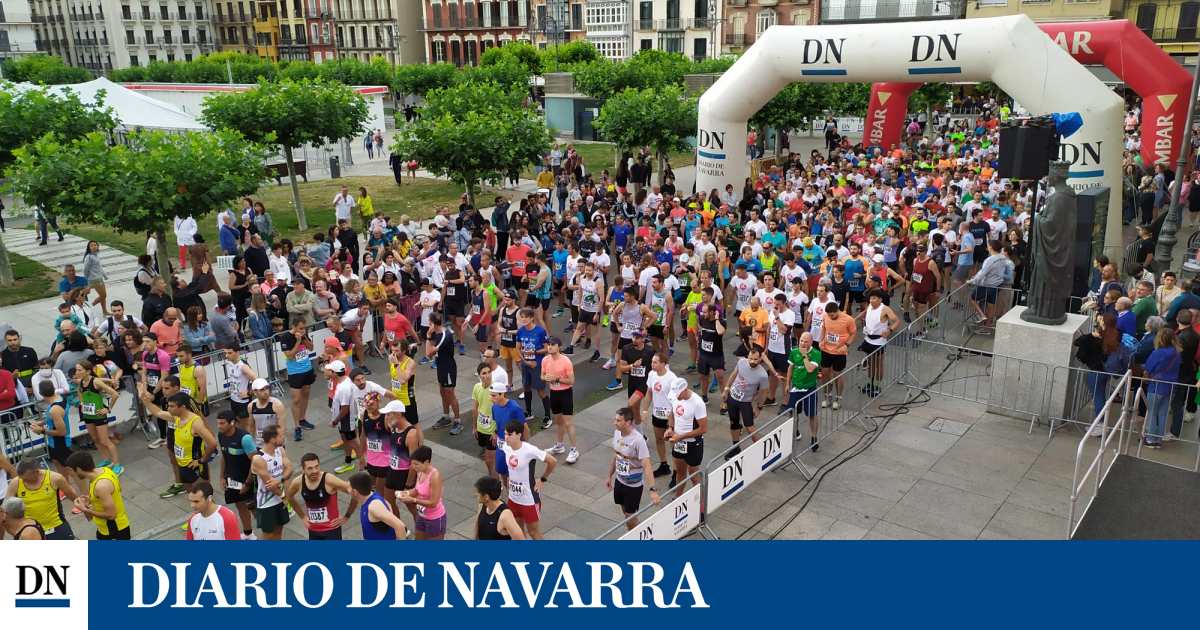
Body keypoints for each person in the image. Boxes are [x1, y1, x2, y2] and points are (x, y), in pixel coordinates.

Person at [140, 389, 217, 492]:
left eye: (172, 406)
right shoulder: (177, 417)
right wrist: (143, 398)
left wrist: (200, 461)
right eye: (168, 406)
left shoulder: (195, 423)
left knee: (203, 497)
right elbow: (158, 412)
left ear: (182, 407)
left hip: (195, 467)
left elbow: (212, 443)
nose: (168, 409)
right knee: (192, 496)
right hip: (182, 465)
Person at [497, 420, 557, 540]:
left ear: (519, 435)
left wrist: (542, 479)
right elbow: (511, 470)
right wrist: (509, 488)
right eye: (505, 434)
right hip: (513, 498)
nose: (506, 437)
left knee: (533, 532)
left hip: (528, 499)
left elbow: (552, 461)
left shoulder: (529, 450)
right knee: (517, 532)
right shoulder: (506, 447)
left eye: (510, 434)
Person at [607, 406, 660, 529]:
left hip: (633, 486)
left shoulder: (638, 440)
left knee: (630, 517)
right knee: (626, 513)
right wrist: (609, 476)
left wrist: (653, 490)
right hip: (619, 481)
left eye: (619, 421)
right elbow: (615, 456)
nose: (615, 423)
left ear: (628, 422)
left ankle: (651, 536)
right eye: (616, 419)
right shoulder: (617, 433)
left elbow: (647, 465)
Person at [286, 453, 358, 540]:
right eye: (310, 468)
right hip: (313, 529)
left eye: (316, 466)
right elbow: (289, 496)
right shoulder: (299, 482)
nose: (314, 471)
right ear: (303, 470)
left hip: (331, 530)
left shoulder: (329, 480)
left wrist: (347, 515)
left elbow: (356, 493)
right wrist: (302, 516)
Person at [65, 451, 131, 540]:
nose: (70, 474)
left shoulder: (100, 486)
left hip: (114, 530)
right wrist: (93, 499)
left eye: (71, 471)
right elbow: (117, 490)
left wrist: (85, 510)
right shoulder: (106, 471)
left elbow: (111, 515)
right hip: (107, 528)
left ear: (78, 469)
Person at [73, 361, 123, 476]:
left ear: (88, 371)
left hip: (99, 415)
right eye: (76, 369)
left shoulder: (95, 381)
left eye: (79, 370)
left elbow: (115, 394)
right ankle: (106, 460)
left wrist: (108, 408)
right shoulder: (81, 381)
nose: (77, 372)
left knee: (105, 440)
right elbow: (79, 392)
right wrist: (82, 403)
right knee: (95, 439)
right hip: (87, 415)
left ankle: (117, 464)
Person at [7, 458, 78, 539]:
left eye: (26, 479)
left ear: (37, 472)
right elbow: (7, 507)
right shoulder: (15, 483)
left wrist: (85, 508)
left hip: (55, 524)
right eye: (21, 478)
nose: (23, 481)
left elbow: (72, 496)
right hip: (30, 529)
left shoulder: (55, 478)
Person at [214, 410, 258, 539]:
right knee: (240, 505)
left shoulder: (245, 438)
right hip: (232, 479)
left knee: (254, 509)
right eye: (218, 423)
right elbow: (224, 456)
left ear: (232, 423)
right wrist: (222, 476)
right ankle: (248, 533)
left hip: (247, 480)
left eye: (222, 423)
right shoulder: (221, 435)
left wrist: (248, 483)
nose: (219, 426)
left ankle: (269, 532)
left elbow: (255, 463)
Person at [722, 347, 772, 458]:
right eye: (751, 359)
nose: (752, 362)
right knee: (734, 423)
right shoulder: (741, 362)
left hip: (745, 402)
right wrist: (726, 389)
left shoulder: (762, 375)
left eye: (755, 359)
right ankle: (736, 447)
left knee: (749, 427)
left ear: (760, 359)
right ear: (747, 357)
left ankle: (762, 450)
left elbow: (764, 393)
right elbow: (733, 375)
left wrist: (759, 408)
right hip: (733, 397)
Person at [665, 377, 708, 496]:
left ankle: (700, 503)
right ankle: (678, 498)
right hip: (678, 442)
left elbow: (703, 429)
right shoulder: (676, 399)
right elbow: (672, 413)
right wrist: (670, 428)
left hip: (693, 443)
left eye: (678, 394)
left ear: (685, 389)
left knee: (694, 477)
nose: (676, 396)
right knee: (680, 473)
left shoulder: (697, 403)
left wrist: (681, 436)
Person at [855, 289, 902, 397]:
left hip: (878, 342)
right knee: (870, 364)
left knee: (878, 365)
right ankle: (869, 384)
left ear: (880, 299)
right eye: (871, 298)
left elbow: (897, 321)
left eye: (874, 298)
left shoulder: (884, 309)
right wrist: (856, 318)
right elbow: (865, 312)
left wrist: (889, 331)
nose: (872, 300)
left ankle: (877, 386)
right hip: (868, 339)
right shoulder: (870, 306)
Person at [541, 337, 580, 464]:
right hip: (554, 392)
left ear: (559, 347)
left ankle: (574, 449)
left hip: (565, 393)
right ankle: (559, 445)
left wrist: (556, 379)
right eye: (549, 345)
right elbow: (542, 375)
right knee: (558, 422)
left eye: (553, 345)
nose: (550, 347)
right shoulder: (545, 360)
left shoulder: (565, 361)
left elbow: (571, 381)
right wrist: (545, 378)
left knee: (568, 423)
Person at [396, 446, 446, 540]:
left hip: (434, 518)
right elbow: (416, 490)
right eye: (412, 464)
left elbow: (433, 503)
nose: (413, 467)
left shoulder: (435, 477)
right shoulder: (421, 472)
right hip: (422, 515)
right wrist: (405, 494)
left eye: (416, 464)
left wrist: (413, 500)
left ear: (426, 462)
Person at [515, 307, 554, 428]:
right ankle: (529, 411)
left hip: (537, 365)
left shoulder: (540, 331)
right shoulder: (520, 331)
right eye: (522, 317)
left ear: (532, 318)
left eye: (526, 317)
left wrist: (534, 352)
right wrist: (525, 362)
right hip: (526, 365)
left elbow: (547, 348)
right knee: (526, 388)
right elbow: (517, 348)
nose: (524, 319)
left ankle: (548, 416)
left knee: (541, 390)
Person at [1143, 327, 1182, 448]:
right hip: (1171, 386)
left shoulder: (1157, 353)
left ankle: (1150, 439)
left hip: (1157, 385)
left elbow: (1148, 367)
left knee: (1152, 412)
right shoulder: (1177, 352)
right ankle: (1158, 440)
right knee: (1163, 413)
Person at [425, 313, 462, 434]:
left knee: (450, 393)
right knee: (442, 391)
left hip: (448, 367)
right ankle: (446, 417)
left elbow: (428, 354)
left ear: (432, 323)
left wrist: (428, 337)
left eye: (429, 321)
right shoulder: (437, 333)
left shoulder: (444, 335)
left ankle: (458, 421)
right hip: (441, 365)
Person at [786, 332, 823, 451]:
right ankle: (795, 431)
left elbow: (810, 369)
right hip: (796, 386)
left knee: (812, 413)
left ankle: (814, 437)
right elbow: (791, 367)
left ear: (811, 342)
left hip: (809, 388)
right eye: (801, 340)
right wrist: (787, 383)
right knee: (792, 411)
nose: (802, 343)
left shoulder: (816, 354)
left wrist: (804, 355)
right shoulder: (794, 351)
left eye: (806, 341)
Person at [643, 352, 676, 479]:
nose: (652, 364)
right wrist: (645, 411)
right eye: (652, 362)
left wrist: (671, 420)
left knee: (672, 443)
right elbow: (649, 392)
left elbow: (676, 399)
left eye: (655, 362)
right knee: (659, 440)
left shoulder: (671, 378)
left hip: (669, 416)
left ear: (663, 364)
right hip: (657, 414)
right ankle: (664, 465)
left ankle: (676, 472)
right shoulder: (651, 375)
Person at [349, 471, 409, 540]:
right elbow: (388, 505)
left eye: (349, 487)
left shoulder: (374, 507)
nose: (347, 490)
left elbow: (400, 526)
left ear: (355, 492)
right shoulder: (372, 495)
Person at [818, 302, 856, 409]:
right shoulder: (825, 316)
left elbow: (853, 334)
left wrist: (846, 345)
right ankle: (827, 395)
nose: (831, 317)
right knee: (824, 372)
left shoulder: (848, 319)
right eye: (829, 315)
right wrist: (821, 340)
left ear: (837, 311)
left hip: (839, 351)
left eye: (833, 315)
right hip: (826, 349)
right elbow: (824, 328)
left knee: (836, 374)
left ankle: (838, 397)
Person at [473, 476, 525, 540]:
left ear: (486, 496)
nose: (476, 494)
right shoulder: (483, 505)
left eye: (478, 492)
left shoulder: (505, 516)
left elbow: (520, 539)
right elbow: (477, 522)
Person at [472, 363, 500, 479]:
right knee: (487, 459)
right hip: (481, 428)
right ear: (479, 376)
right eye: (484, 373)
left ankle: (496, 484)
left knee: (490, 461)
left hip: (491, 431)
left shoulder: (495, 389)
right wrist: (474, 427)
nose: (488, 375)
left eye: (489, 372)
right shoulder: (477, 387)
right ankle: (492, 480)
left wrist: (496, 432)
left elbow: (500, 411)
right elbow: (476, 408)